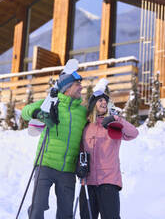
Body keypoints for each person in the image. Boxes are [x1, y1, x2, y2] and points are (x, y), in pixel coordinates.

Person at [21, 60, 87, 219]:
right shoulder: (51, 103)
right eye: (78, 84)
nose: (81, 87)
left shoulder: (83, 112)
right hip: (46, 163)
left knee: (65, 213)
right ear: (67, 88)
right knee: (37, 208)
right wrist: (38, 113)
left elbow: (90, 134)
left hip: (68, 170)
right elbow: (25, 111)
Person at [79, 80, 139, 219]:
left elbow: (133, 133)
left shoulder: (113, 125)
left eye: (105, 101)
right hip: (88, 182)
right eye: (100, 100)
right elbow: (81, 152)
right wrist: (79, 166)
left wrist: (117, 119)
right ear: (93, 104)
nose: (104, 103)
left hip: (108, 182)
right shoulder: (86, 128)